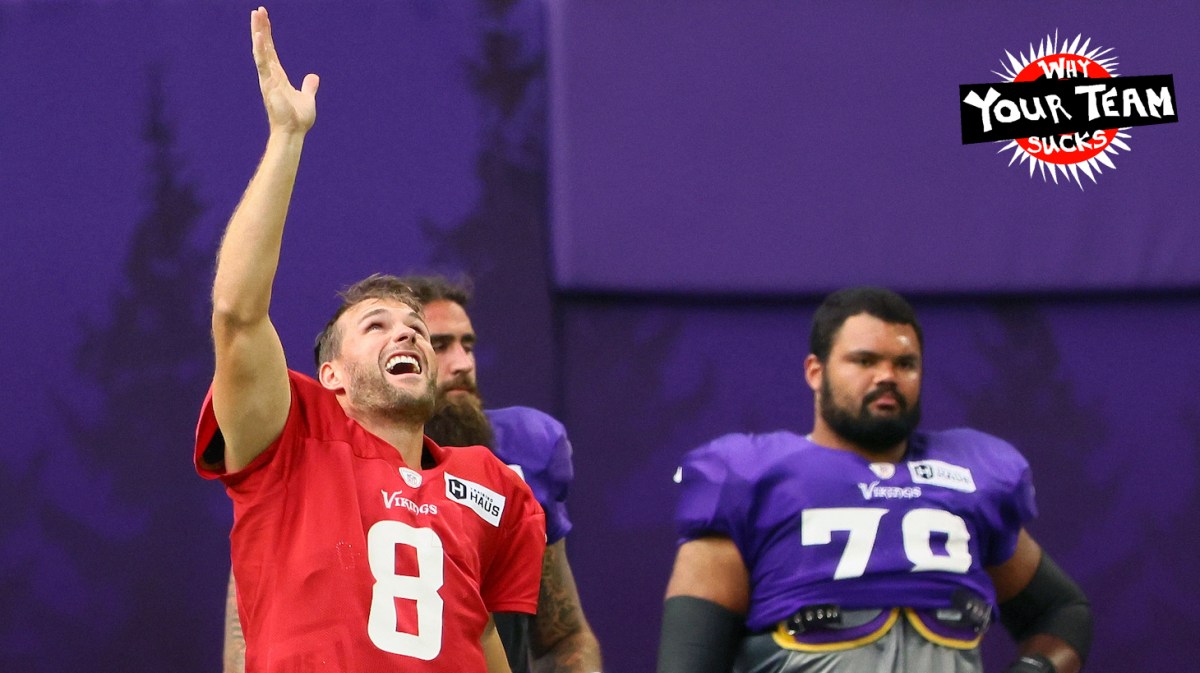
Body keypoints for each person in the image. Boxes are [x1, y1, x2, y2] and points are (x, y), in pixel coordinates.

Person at [197, 8, 544, 672]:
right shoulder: (290, 437)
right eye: (376, 324)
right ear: (329, 374)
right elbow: (236, 314)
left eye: (415, 326)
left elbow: (479, 636)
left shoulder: (488, 484)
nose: (407, 330)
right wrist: (286, 140)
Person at [657, 287, 1092, 673]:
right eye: (864, 360)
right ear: (815, 371)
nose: (887, 376)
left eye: (905, 363)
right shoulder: (751, 479)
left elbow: (1063, 611)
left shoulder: (973, 477)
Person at [221, 276, 603, 673]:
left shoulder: (507, 468)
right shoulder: (305, 460)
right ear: (337, 373)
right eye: (441, 344)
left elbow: (538, 632)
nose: (462, 364)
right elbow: (253, 613)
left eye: (467, 345)